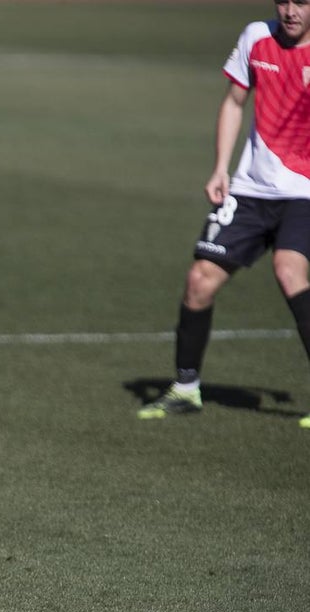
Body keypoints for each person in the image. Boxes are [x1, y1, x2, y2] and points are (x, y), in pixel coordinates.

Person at [137, 1, 310, 428]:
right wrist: (221, 167)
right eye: (283, 1)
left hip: (304, 191)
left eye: (301, 2)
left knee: (289, 272)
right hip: (250, 191)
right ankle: (185, 388)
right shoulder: (256, 37)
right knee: (200, 279)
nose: (290, 11)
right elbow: (235, 102)